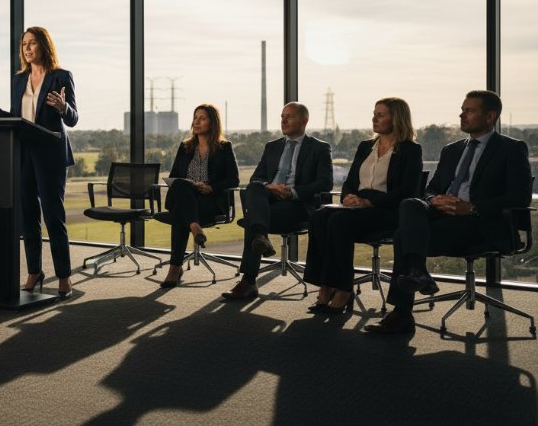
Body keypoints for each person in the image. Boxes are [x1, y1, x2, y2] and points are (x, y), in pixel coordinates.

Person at [366, 90, 532, 334]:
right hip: (443, 215)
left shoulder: (511, 149)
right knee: (411, 204)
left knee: (403, 237)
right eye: (462, 109)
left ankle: (403, 311)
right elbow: (431, 189)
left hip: (479, 223)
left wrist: (471, 207)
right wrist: (436, 200)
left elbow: (520, 196)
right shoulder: (452, 150)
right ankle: (417, 273)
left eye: (469, 110)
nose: (461, 115)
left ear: (490, 116)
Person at [0, 26, 78, 299]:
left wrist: (63, 108)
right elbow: (18, 117)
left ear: (44, 45)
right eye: (24, 44)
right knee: (28, 215)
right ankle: (34, 271)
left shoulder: (61, 76)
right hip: (24, 153)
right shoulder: (19, 80)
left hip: (50, 155)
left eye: (32, 43)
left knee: (54, 217)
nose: (27, 48)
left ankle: (63, 275)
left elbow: (73, 118)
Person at [303, 98, 422, 313]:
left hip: (388, 210)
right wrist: (348, 197)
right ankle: (325, 284)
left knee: (339, 220)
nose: (374, 119)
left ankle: (343, 289)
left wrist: (369, 201)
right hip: (358, 207)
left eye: (381, 115)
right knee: (319, 216)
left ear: (396, 118)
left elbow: (407, 191)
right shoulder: (366, 146)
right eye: (374, 114)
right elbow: (350, 182)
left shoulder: (410, 150)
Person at [221, 102, 333, 301]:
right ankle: (261, 237)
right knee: (254, 187)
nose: (283, 120)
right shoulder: (272, 146)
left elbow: (326, 183)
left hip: (297, 205)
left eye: (289, 116)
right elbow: (256, 178)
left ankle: (248, 281)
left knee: (253, 220)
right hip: (268, 200)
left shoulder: (319, 148)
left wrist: (292, 192)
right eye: (282, 116)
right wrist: (269, 186)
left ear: (304, 120)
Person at [158, 104, 239, 289]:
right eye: (195, 117)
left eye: (202, 118)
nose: (197, 122)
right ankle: (195, 227)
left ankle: (174, 269)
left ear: (213, 122)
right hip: (185, 196)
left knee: (180, 213)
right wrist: (189, 185)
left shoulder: (224, 147)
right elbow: (174, 177)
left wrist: (211, 187)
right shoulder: (185, 147)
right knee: (180, 184)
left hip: (210, 200)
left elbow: (233, 180)